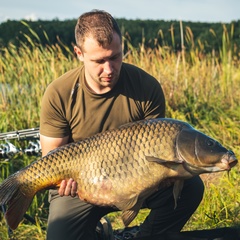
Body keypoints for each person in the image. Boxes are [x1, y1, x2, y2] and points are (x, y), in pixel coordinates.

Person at [39, 9, 204, 240]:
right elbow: (51, 158)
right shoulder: (59, 93)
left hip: (136, 179)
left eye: (115, 57)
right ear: (79, 53)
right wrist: (63, 183)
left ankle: (147, 236)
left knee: (191, 187)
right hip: (80, 187)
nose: (109, 69)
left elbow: (161, 151)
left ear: (122, 47)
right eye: (99, 61)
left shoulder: (146, 87)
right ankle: (99, 232)